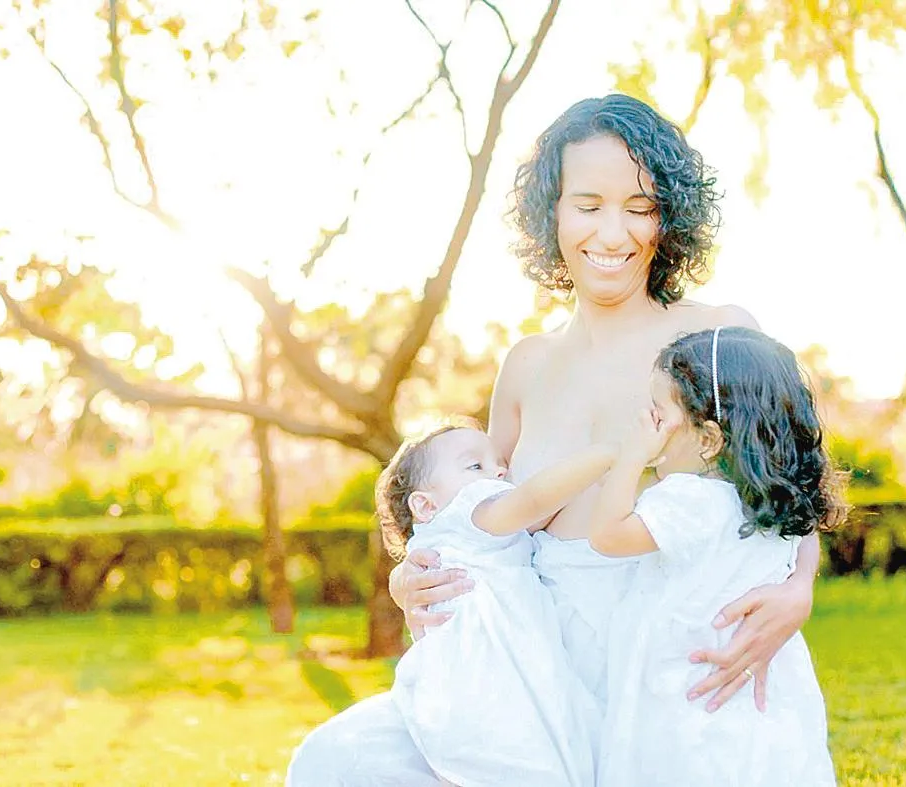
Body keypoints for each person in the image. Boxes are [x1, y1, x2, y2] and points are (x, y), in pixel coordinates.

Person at [287, 94, 820, 785]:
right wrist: (407, 576)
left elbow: (789, 482)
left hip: (669, 658)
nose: (613, 232)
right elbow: (473, 506)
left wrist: (799, 588)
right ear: (553, 213)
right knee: (334, 763)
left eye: (640, 205)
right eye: (588, 204)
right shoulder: (526, 365)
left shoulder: (718, 337)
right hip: (527, 664)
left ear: (671, 215)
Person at [589, 326, 841, 785]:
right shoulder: (776, 503)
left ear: (707, 439)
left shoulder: (690, 500)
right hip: (762, 682)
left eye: (658, 412)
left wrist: (630, 456)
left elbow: (606, 535)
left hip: (684, 686)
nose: (647, 421)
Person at [379, 421, 624, 786]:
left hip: (465, 691)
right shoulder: (466, 511)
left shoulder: (437, 538)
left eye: (499, 464)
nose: (499, 471)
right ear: (425, 504)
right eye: (475, 466)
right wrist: (612, 452)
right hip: (494, 689)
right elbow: (532, 501)